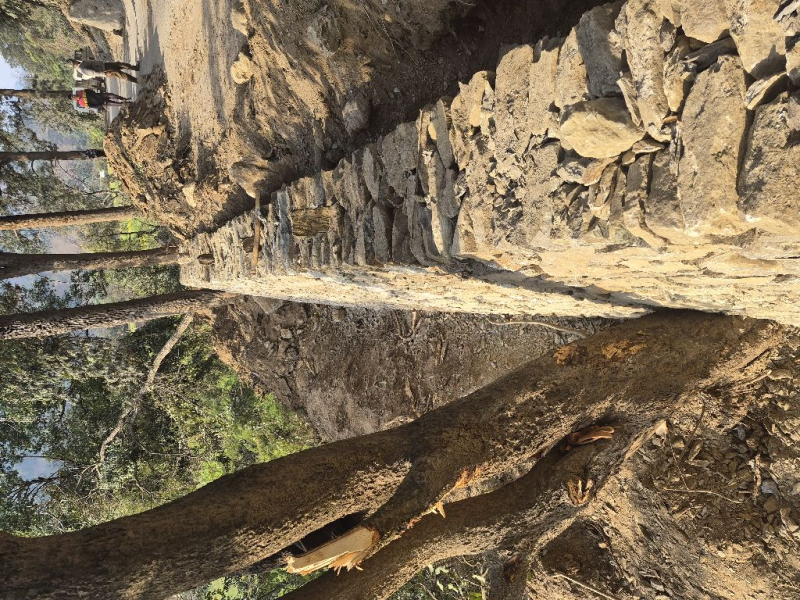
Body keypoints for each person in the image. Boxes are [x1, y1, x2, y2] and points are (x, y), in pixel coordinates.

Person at [70, 58, 139, 84]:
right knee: (121, 75)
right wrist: (104, 74)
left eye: (73, 60)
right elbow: (93, 72)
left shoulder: (80, 63)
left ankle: (135, 68)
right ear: (74, 65)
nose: (74, 60)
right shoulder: (82, 68)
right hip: (105, 70)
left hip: (104, 65)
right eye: (73, 61)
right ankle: (137, 80)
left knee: (120, 65)